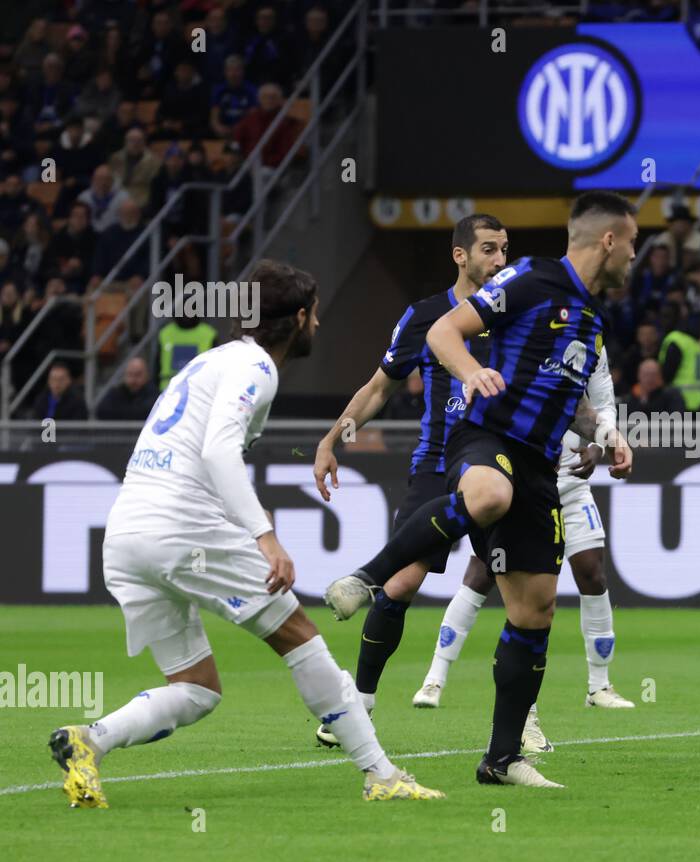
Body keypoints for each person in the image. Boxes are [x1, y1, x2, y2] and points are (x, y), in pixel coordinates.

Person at [52, 260, 443, 808]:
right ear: (301, 317)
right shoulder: (257, 367)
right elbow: (216, 452)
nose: (320, 327)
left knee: (196, 689)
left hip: (126, 534)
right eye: (317, 316)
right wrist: (266, 537)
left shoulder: (213, 361)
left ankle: (88, 740)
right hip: (179, 526)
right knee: (300, 636)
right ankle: (381, 774)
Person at [323, 193, 637, 789]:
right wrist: (472, 372)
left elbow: (571, 402)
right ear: (609, 241)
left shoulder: (591, 315)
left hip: (543, 468)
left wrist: (608, 434)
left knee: (534, 610)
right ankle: (367, 576)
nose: (635, 256)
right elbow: (445, 330)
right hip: (484, 439)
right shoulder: (530, 277)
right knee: (489, 496)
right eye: (634, 243)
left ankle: (500, 759)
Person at [411, 344, 636, 712]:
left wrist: (600, 442)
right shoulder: (527, 326)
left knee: (592, 572)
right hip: (520, 474)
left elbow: (603, 403)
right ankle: (435, 678)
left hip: (570, 477)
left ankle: (600, 686)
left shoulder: (591, 338)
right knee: (482, 571)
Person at [95, 356, 158, 421]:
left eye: (138, 374)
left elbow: (147, 412)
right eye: (130, 374)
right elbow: (101, 411)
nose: (133, 379)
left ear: (147, 375)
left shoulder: (154, 395)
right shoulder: (117, 392)